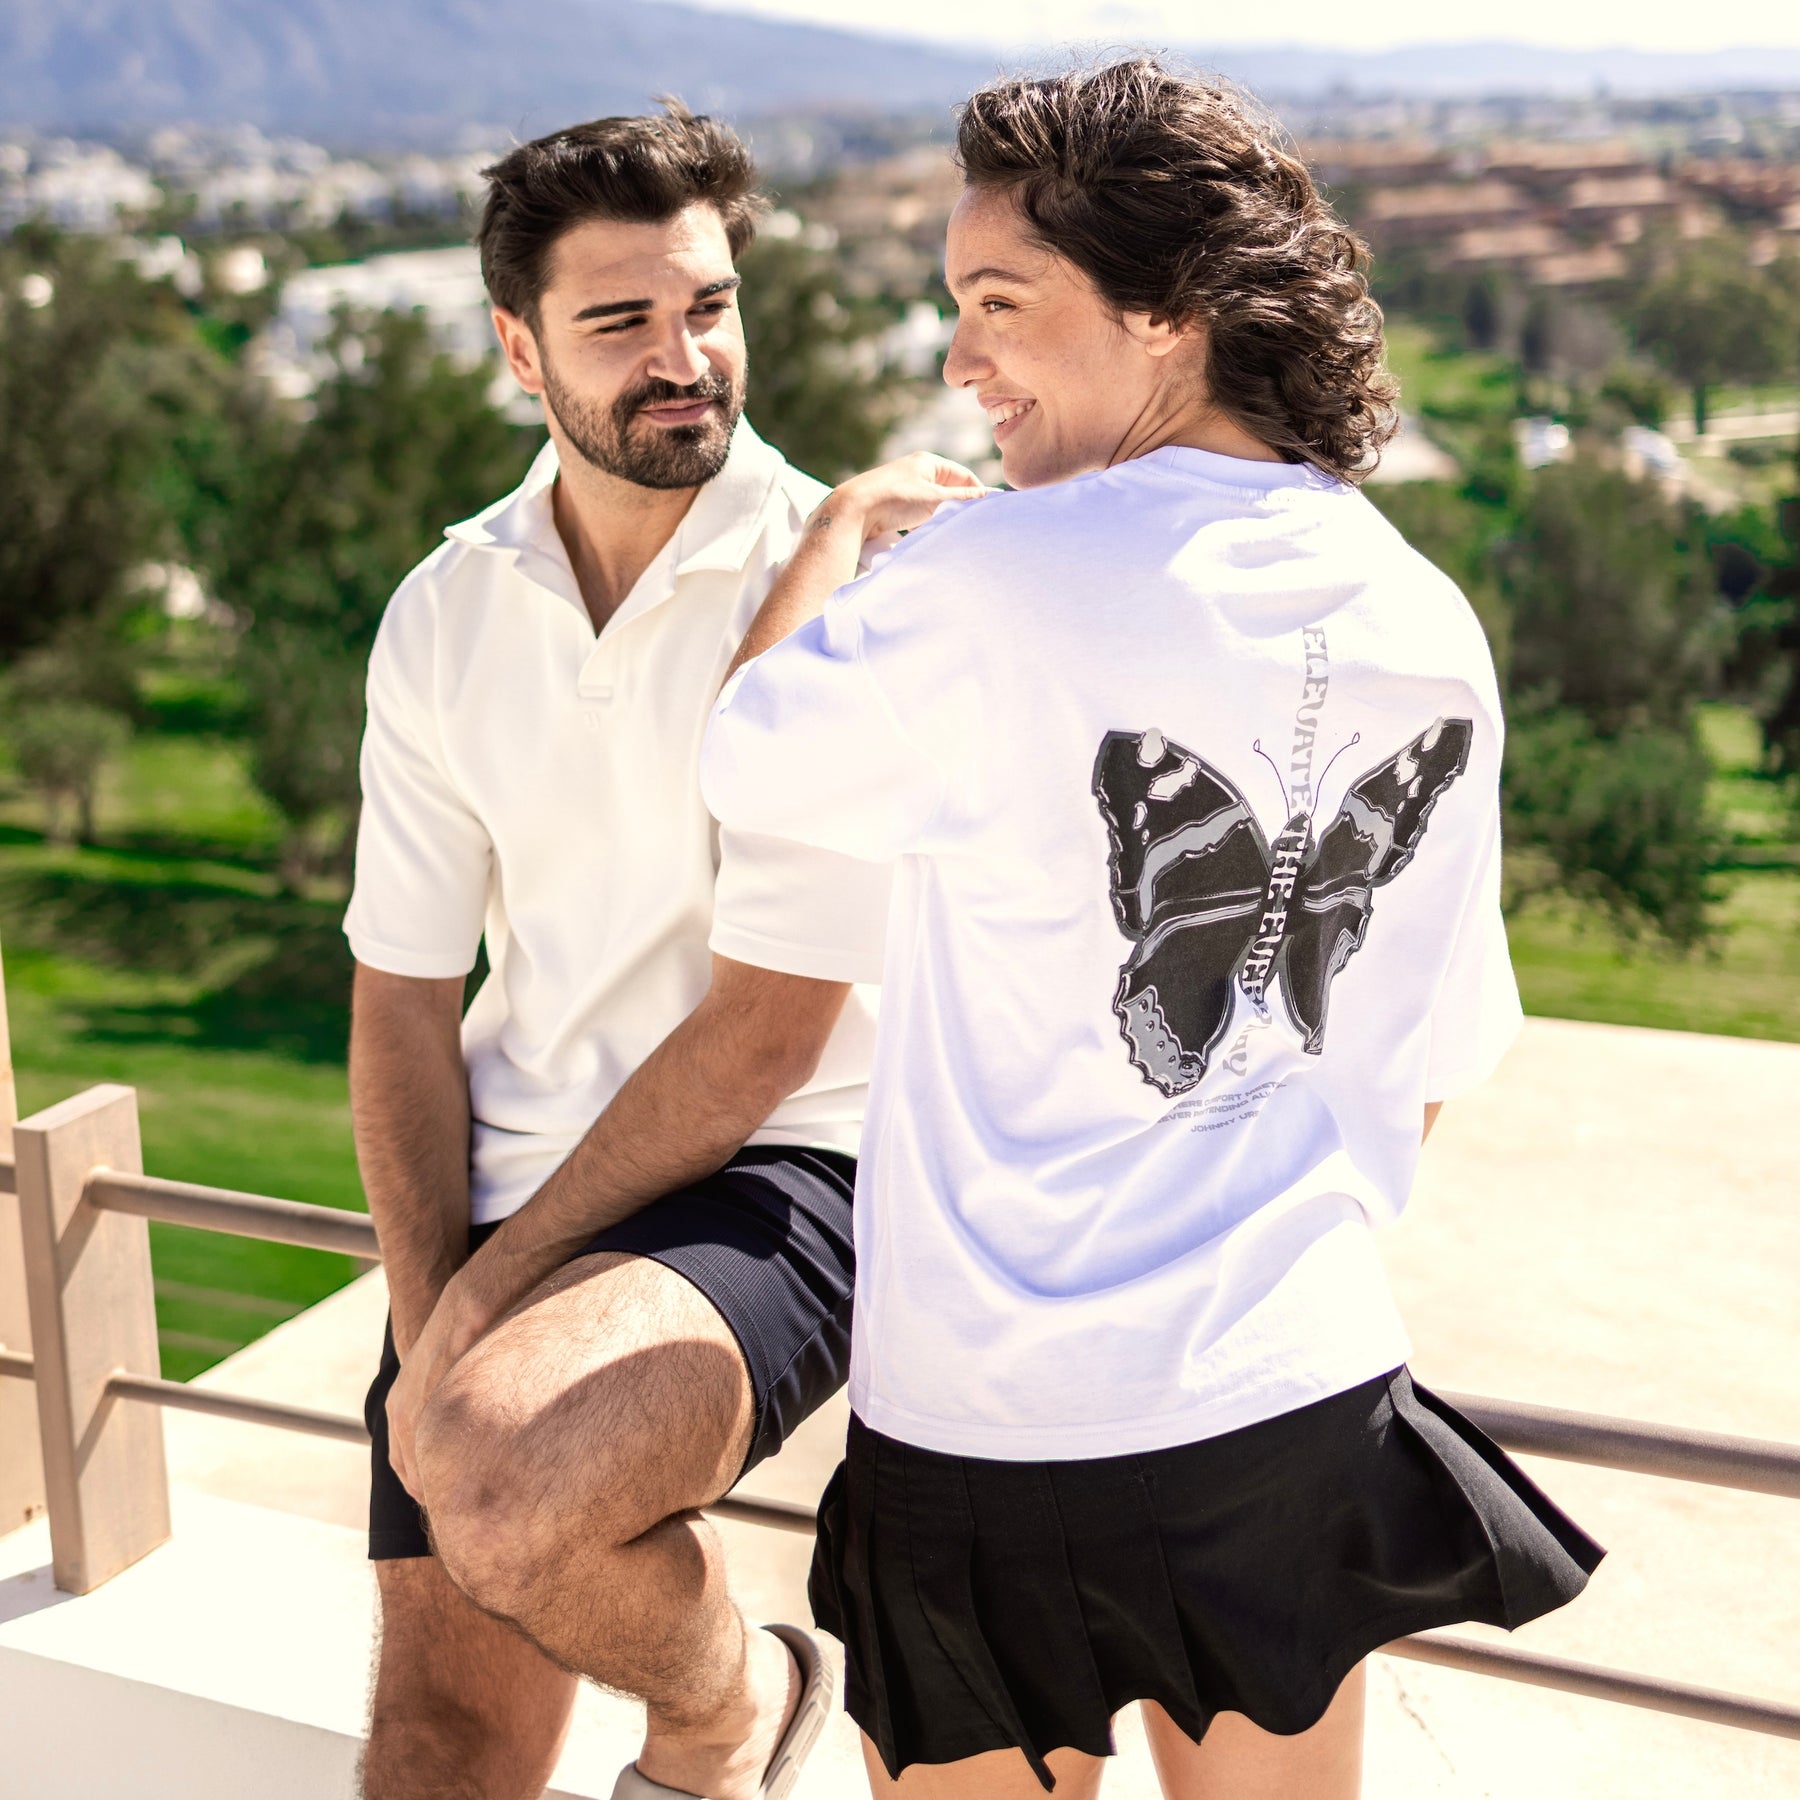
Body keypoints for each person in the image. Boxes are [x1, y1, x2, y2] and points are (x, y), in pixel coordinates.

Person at [701, 60, 1603, 1800]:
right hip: (1291, 1396)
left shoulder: (984, 576)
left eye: (1000, 303)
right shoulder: (1426, 612)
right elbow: (1425, 1055)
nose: (962, 360)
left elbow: (747, 760)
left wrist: (839, 531)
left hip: (992, 1421)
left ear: (1171, 309)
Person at [343, 107, 952, 1800]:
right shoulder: (446, 609)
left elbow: (770, 1036)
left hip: (785, 1170)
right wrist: (433, 1310)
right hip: (513, 1188)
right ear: (518, 349)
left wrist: (476, 1317)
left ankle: (732, 1704)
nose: (684, 359)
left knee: (506, 1475)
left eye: (710, 305)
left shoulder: (858, 582)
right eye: (621, 321)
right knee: (434, 1751)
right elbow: (403, 996)